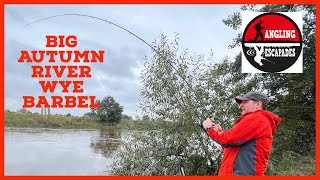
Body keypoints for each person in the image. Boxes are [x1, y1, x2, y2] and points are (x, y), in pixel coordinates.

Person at [202, 91, 282, 176]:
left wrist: (210, 127)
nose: (241, 105)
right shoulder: (259, 121)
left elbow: (226, 140)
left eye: (245, 102)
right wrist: (218, 131)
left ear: (258, 104)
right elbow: (231, 148)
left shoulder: (256, 119)